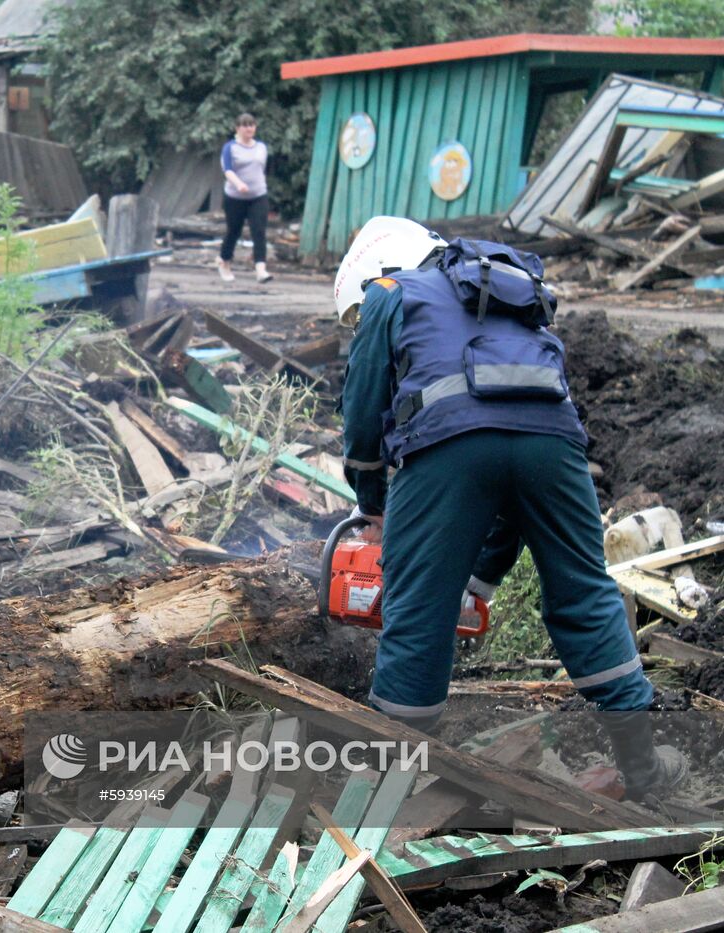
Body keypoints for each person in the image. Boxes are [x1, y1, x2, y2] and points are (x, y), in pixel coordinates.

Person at [334, 216, 685, 802]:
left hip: (447, 445)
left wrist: (374, 505)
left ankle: (380, 791)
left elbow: (365, 410)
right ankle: (644, 770)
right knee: (584, 594)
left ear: (377, 268)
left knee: (419, 607)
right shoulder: (506, 290)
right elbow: (510, 463)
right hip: (555, 446)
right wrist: (481, 578)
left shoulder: (390, 293)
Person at [217, 113, 272, 284]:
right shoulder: (230, 148)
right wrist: (239, 184)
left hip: (258, 196)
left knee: (259, 230)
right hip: (235, 197)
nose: (249, 128)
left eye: (252, 125)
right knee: (234, 231)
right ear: (238, 128)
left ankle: (261, 269)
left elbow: (264, 168)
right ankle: (224, 261)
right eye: (245, 125)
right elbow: (228, 170)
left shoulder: (261, 147)